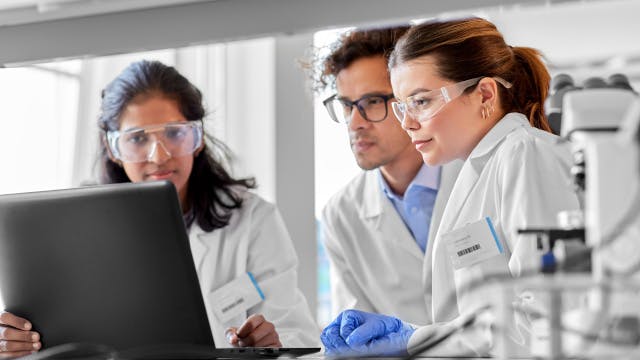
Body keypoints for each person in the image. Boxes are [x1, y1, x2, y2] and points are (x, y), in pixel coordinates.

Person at [0, 60, 319, 358]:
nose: (159, 155)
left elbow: (297, 336)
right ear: (113, 149)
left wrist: (269, 345)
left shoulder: (252, 220)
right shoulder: (70, 229)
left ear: (198, 136)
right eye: (137, 138)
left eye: (175, 133)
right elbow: (52, 338)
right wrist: (15, 344)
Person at [320, 17, 581, 357]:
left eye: (422, 102)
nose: (408, 123)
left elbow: (551, 318)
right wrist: (417, 338)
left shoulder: (525, 154)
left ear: (485, 93)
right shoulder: (479, 170)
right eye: (402, 106)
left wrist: (414, 340)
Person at [311, 26, 461, 324]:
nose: (355, 122)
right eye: (346, 105)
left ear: (414, 100)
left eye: (373, 102)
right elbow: (356, 335)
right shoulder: (341, 215)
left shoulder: (477, 174)